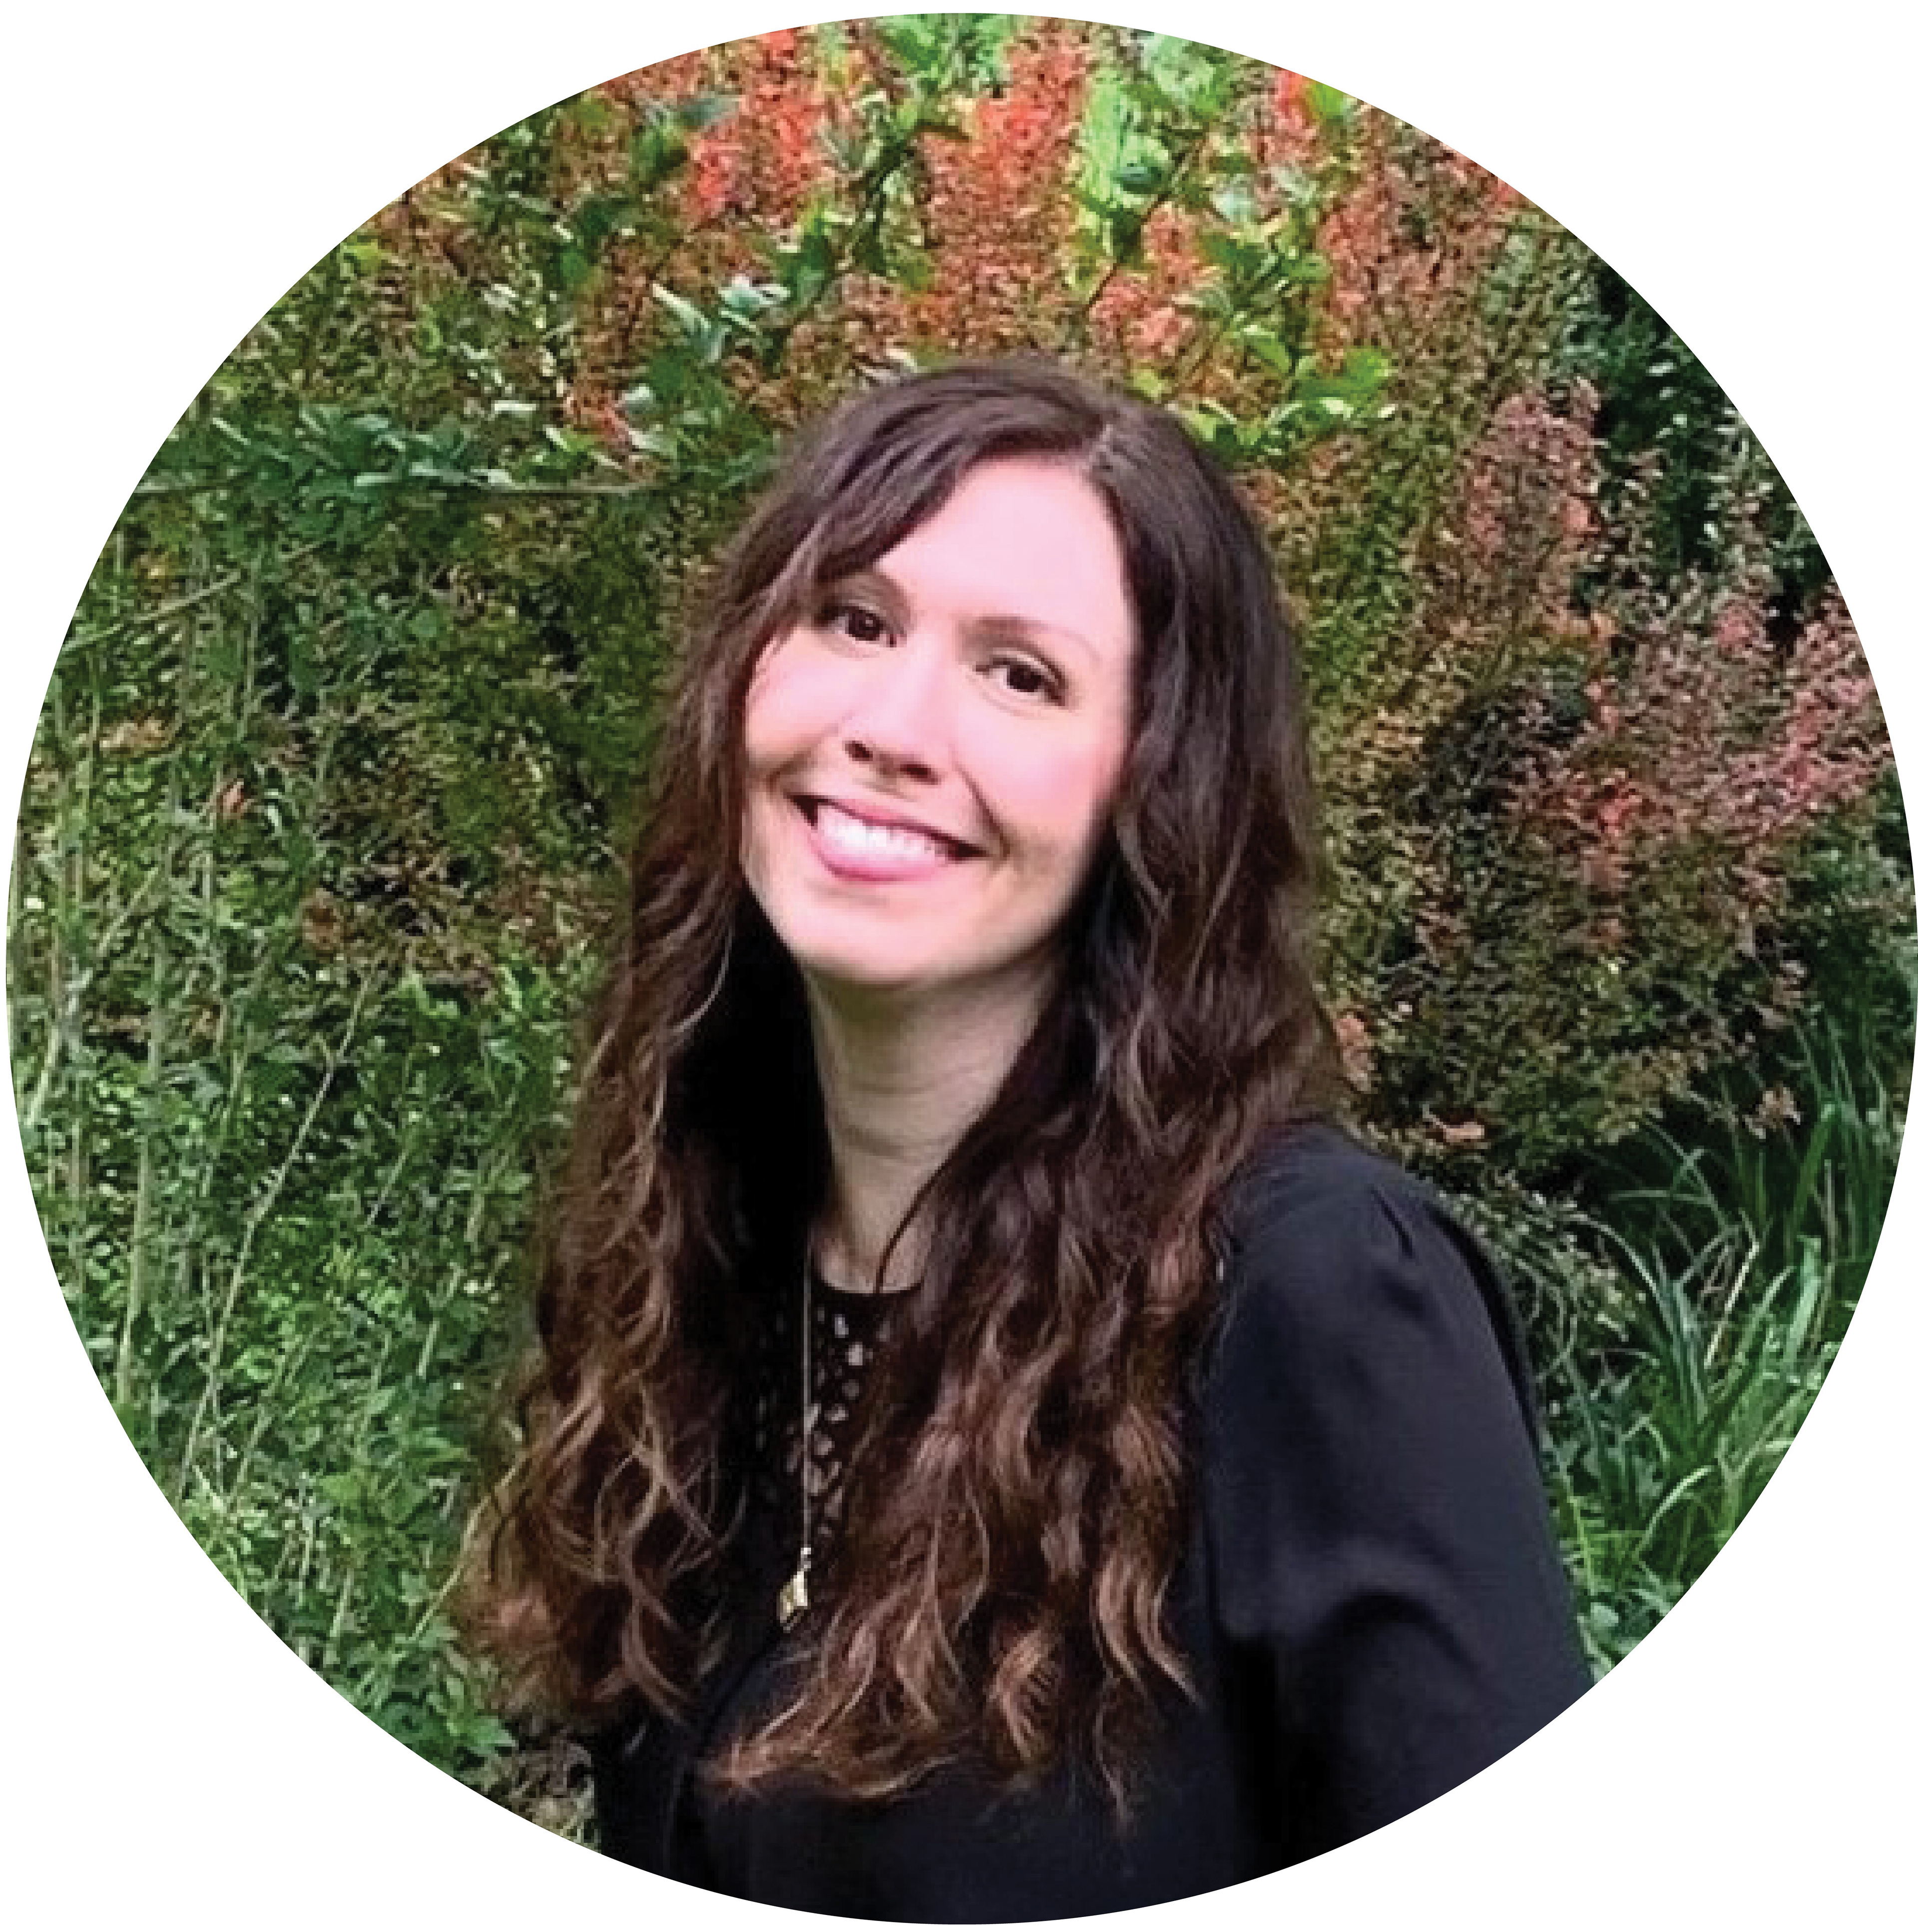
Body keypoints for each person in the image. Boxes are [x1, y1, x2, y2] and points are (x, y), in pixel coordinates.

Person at [462, 358, 1590, 1919]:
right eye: (854, 619)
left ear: (1158, 787)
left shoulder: (1313, 1296)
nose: (893, 727)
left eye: (1021, 677)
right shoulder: (695, 1252)